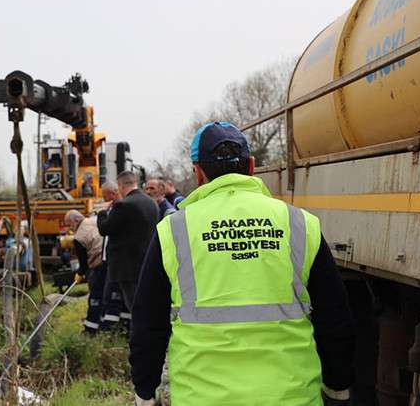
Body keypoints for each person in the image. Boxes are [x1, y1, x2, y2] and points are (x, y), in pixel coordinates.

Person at [130, 122, 356, 406]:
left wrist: (145, 393)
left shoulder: (172, 232)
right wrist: (337, 388)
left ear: (198, 173)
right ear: (251, 166)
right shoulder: (300, 224)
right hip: (292, 398)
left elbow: (148, 325)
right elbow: (335, 318)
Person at [97, 171, 159, 313]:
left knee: (135, 307)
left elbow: (104, 229)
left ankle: (142, 335)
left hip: (128, 267)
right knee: (147, 304)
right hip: (147, 262)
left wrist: (101, 212)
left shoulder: (123, 205)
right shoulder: (152, 203)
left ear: (120, 186)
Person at [64, 209, 105, 334]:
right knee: (106, 295)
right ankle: (104, 322)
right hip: (109, 260)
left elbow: (83, 263)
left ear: (76, 221)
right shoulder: (93, 220)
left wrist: (79, 274)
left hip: (97, 265)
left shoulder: (79, 237)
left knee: (95, 296)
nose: (70, 228)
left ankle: (91, 328)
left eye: (70, 224)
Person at [98, 181, 130, 331]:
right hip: (109, 260)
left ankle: (111, 329)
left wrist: (102, 213)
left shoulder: (119, 208)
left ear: (112, 193)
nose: (103, 199)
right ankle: (119, 327)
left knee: (112, 296)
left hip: (117, 262)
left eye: (104, 195)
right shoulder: (115, 208)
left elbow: (104, 229)